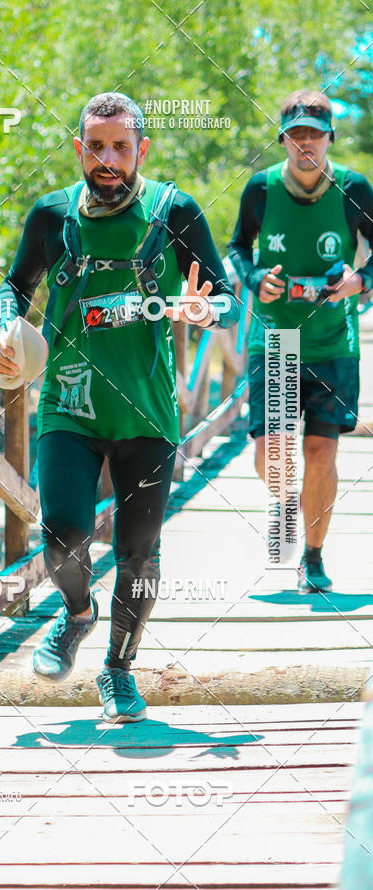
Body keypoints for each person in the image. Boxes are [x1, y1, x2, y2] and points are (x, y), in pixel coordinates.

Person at [0, 92, 239, 721]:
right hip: (69, 405)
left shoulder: (174, 210)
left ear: (141, 151)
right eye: (96, 147)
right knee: (62, 535)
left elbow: (227, 297)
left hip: (147, 414)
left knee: (139, 553)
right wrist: (5, 330)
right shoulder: (51, 215)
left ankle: (119, 670)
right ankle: (77, 614)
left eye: (120, 147)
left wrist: (207, 309)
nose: (108, 159)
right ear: (80, 149)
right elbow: (15, 287)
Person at [229, 89, 373, 593]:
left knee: (320, 454)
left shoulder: (355, 188)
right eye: (295, 135)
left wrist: (359, 280)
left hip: (333, 343)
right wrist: (253, 279)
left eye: (314, 133)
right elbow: (237, 247)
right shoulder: (261, 189)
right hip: (276, 340)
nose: (305, 143)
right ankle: (288, 502)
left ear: (330, 136)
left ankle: (312, 556)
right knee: (270, 454)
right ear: (283, 140)